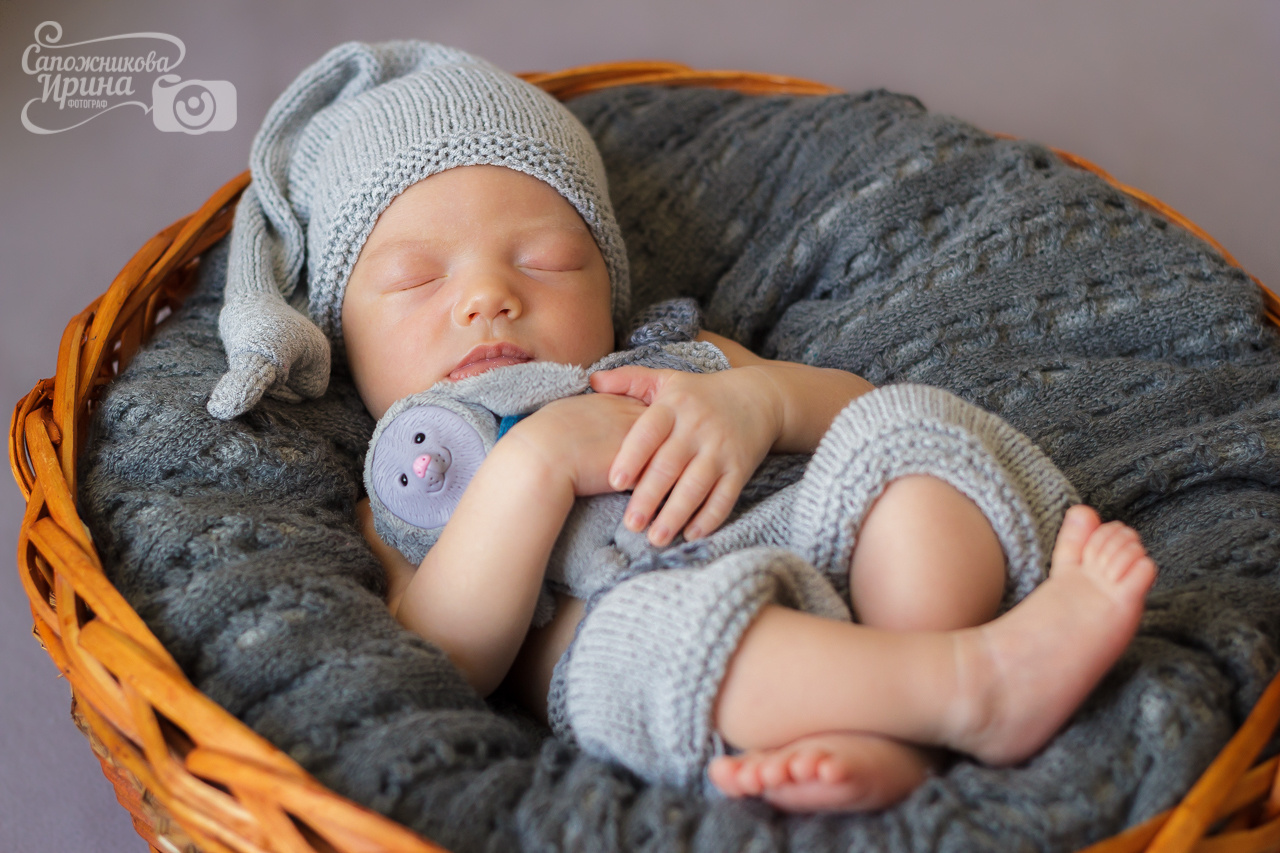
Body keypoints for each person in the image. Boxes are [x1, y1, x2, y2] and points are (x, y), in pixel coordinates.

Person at [209, 40, 1157, 812]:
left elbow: (852, 409)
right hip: (655, 635)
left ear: (609, 284)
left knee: (901, 437)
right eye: (417, 279)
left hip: (830, 556)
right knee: (660, 640)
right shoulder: (406, 489)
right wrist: (536, 463)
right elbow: (447, 657)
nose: (488, 297)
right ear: (344, 337)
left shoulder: (671, 356)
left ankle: (898, 730)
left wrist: (763, 401)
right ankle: (971, 688)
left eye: (545, 260)